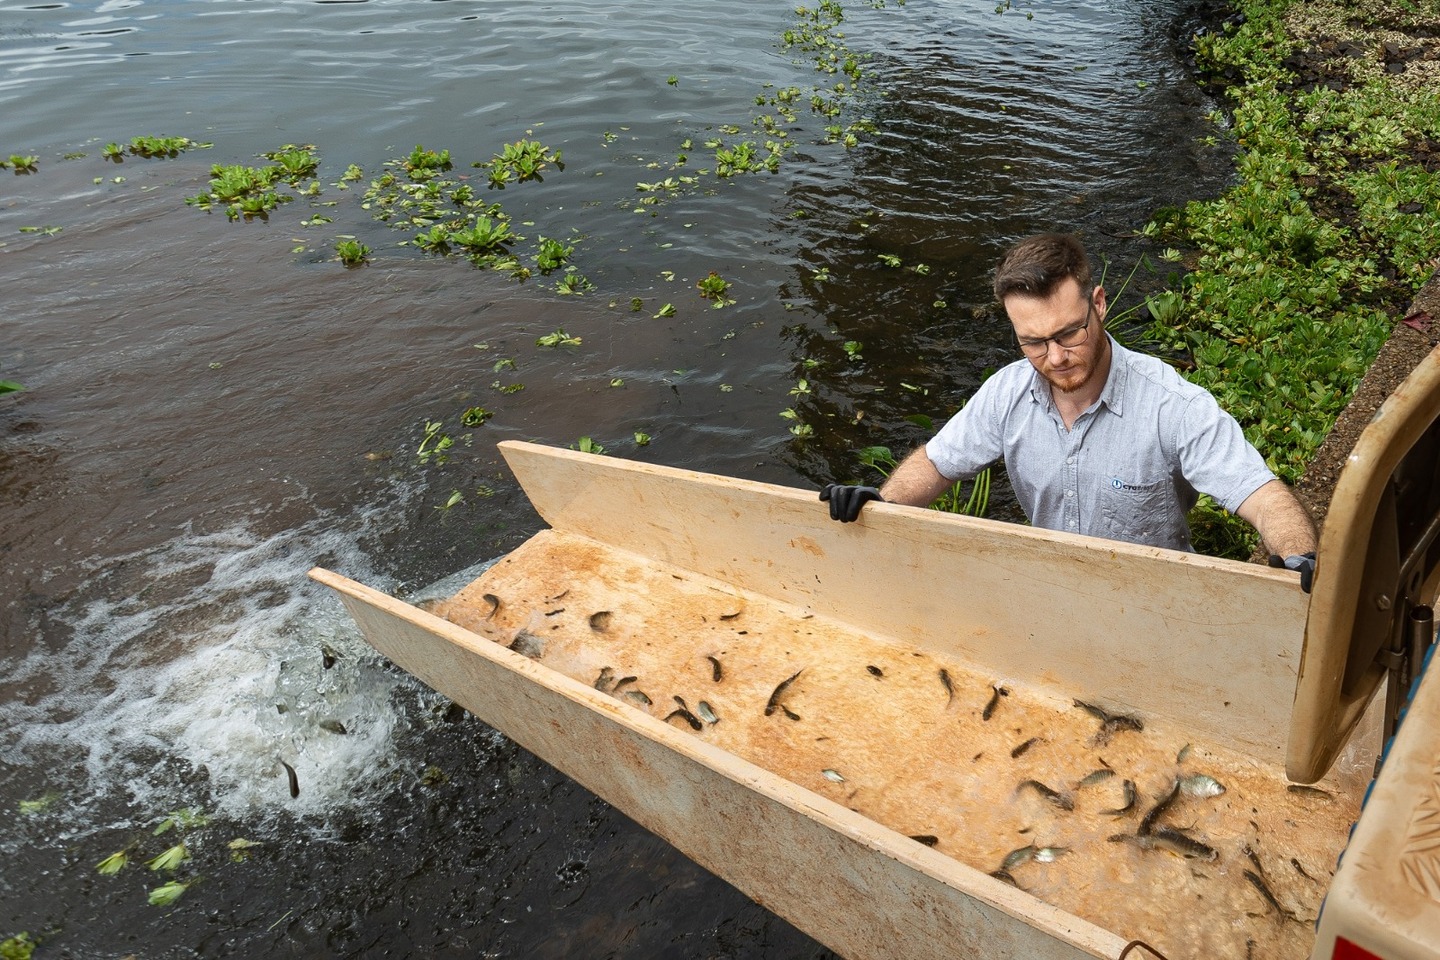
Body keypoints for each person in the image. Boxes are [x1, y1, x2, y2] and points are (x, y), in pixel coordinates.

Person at [820, 232, 1319, 590]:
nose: (1055, 358)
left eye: (1068, 334)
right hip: (1049, 591)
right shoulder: (1007, 393)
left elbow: (1263, 495)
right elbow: (935, 463)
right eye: (1033, 342)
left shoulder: (1174, 406)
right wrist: (883, 505)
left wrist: (1298, 555)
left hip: (1158, 602)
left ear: (1098, 304)